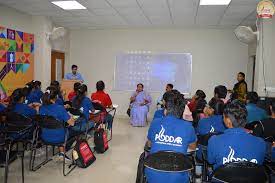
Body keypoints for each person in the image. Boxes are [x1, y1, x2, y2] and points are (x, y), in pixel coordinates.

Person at [145, 90, 197, 183]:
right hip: (179, 177)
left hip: (153, 175)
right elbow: (192, 148)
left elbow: (149, 145)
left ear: (165, 109)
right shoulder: (189, 127)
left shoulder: (155, 123)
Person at [207, 100, 266, 170]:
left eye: (223, 117)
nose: (222, 119)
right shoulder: (261, 143)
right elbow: (259, 164)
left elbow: (210, 161)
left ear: (228, 121)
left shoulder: (214, 141)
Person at [39, 87, 76, 161]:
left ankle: (62, 153)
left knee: (58, 128)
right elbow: (72, 123)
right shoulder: (59, 108)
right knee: (74, 130)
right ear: (56, 97)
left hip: (44, 136)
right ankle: (65, 152)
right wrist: (71, 116)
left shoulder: (41, 108)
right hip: (59, 138)